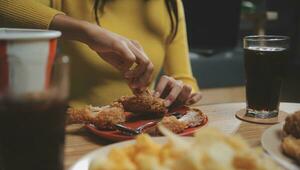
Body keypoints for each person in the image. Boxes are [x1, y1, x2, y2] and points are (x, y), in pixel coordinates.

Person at [0, 0, 202, 107]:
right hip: (74, 131)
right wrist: (87, 31)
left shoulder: (171, 4)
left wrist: (180, 92)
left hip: (139, 133)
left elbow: (185, 79)